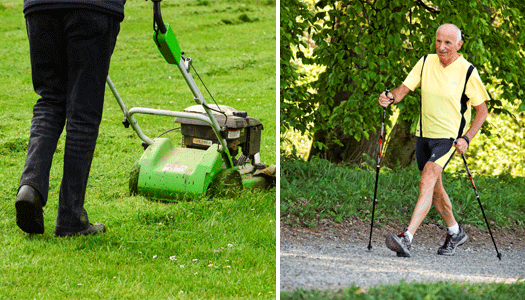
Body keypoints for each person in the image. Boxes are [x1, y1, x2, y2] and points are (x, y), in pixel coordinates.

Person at [15, 0, 126, 237]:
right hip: (92, 8)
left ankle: (30, 187)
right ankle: (70, 218)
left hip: (39, 7)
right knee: (84, 112)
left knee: (50, 99)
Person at [378, 24, 489, 257]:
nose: (441, 47)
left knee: (428, 176)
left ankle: (406, 237)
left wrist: (467, 138)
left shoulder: (468, 71)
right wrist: (390, 97)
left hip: (448, 138)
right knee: (435, 189)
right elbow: (403, 90)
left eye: (448, 43)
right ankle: (455, 231)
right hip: (424, 135)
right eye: (438, 41)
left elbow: (482, 111)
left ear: (459, 45)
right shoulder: (426, 62)